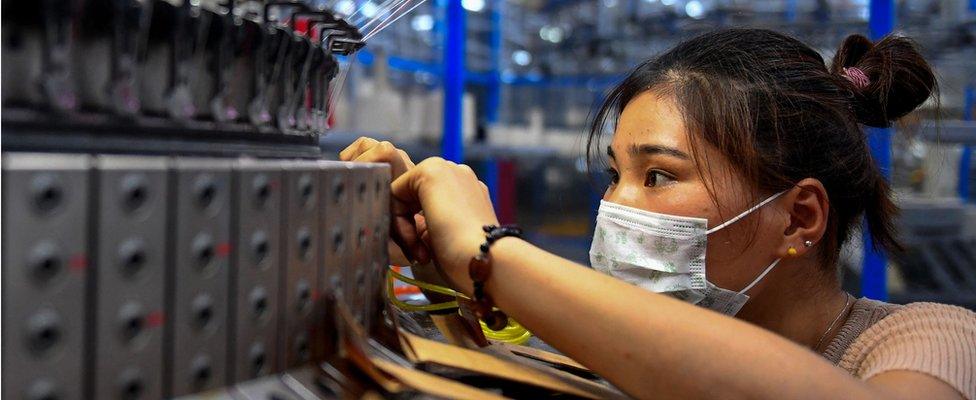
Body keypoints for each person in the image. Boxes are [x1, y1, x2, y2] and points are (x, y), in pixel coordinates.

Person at [340, 28, 976, 399]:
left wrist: (488, 252)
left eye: (659, 175)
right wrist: (431, 266)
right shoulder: (624, 343)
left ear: (800, 218)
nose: (615, 204)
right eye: (617, 175)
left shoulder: (929, 340)